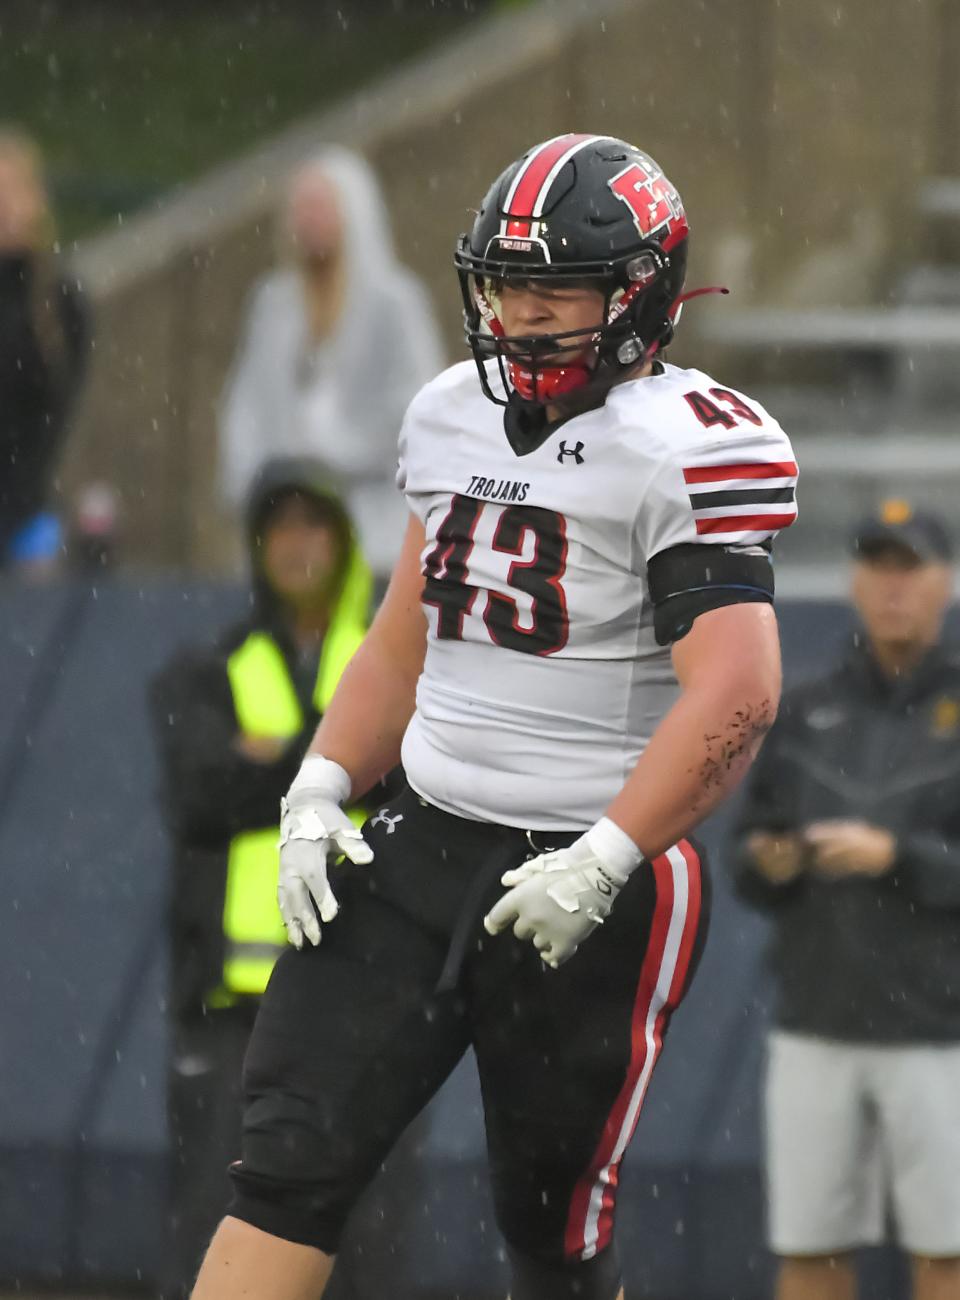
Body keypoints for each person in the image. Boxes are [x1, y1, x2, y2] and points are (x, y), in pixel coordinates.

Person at [191, 132, 798, 1300]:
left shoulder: (685, 445)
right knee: (285, 1160)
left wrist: (611, 854)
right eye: (506, 280)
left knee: (549, 1233)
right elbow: (404, 635)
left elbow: (741, 688)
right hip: (420, 834)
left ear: (639, 292)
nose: (520, 311)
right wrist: (322, 783)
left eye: (554, 283)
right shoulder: (449, 413)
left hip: (590, 868)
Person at [149, 459, 377, 1298]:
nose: (296, 545)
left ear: (344, 540)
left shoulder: (390, 657)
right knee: (215, 1226)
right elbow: (197, 794)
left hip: (367, 1001)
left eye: (314, 524)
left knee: (366, 1239)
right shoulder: (211, 666)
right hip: (234, 1007)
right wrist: (335, 759)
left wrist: (268, 759)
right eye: (279, 527)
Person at [733, 500, 960, 1300]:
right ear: (854, 581)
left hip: (939, 1025)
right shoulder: (804, 706)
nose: (893, 586)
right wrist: (775, 861)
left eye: (912, 566)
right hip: (818, 1015)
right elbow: (747, 857)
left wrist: (897, 856)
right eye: (878, 565)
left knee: (948, 1250)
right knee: (812, 1245)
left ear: (947, 582)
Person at [218, 147, 445, 581]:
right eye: (300, 208)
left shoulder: (394, 304)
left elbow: (418, 410)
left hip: (373, 531)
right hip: (284, 530)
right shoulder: (272, 306)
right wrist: (260, 482)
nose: (308, 220)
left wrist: (334, 452)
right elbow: (244, 410)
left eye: (320, 207)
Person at [0, 127, 89, 569]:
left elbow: (56, 419)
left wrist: (20, 500)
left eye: (12, 191)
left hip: (29, 515)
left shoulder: (58, 300)